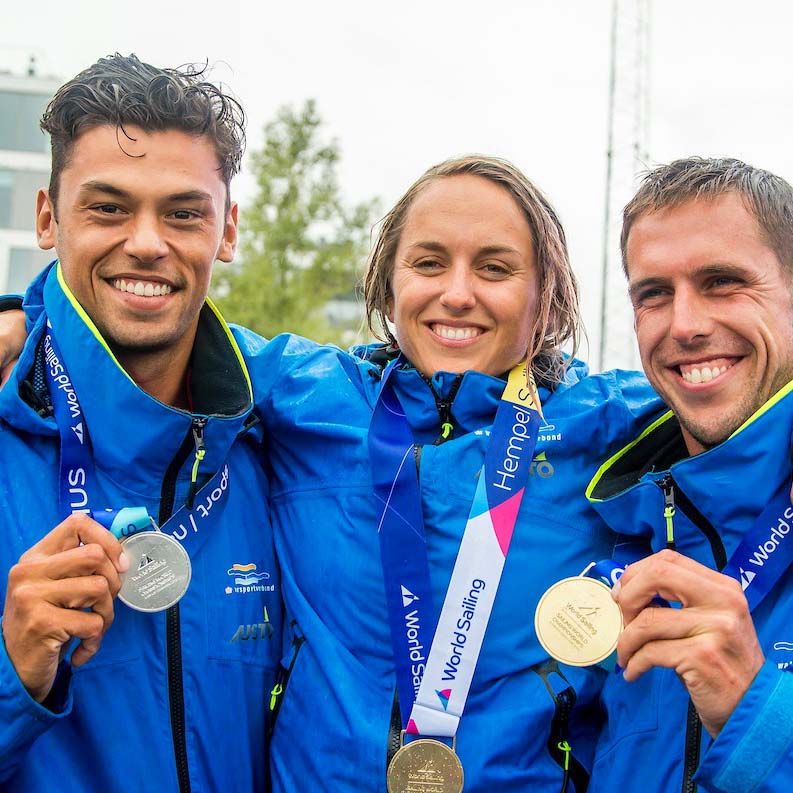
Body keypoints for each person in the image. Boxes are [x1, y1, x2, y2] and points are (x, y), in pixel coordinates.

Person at [1, 155, 664, 789]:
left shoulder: (603, 421)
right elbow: (151, 338)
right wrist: (22, 319)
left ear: (544, 292)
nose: (456, 293)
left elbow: (739, 403)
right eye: (428, 262)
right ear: (388, 282)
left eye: (493, 268)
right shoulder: (305, 392)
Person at [0, 54, 281, 790]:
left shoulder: (280, 447)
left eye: (184, 212)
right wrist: (14, 671)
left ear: (226, 231)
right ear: (46, 219)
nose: (148, 241)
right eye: (108, 207)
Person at [586, 157, 793, 792]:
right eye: (654, 294)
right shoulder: (606, 517)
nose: (685, 325)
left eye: (723, 282)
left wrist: (757, 720)